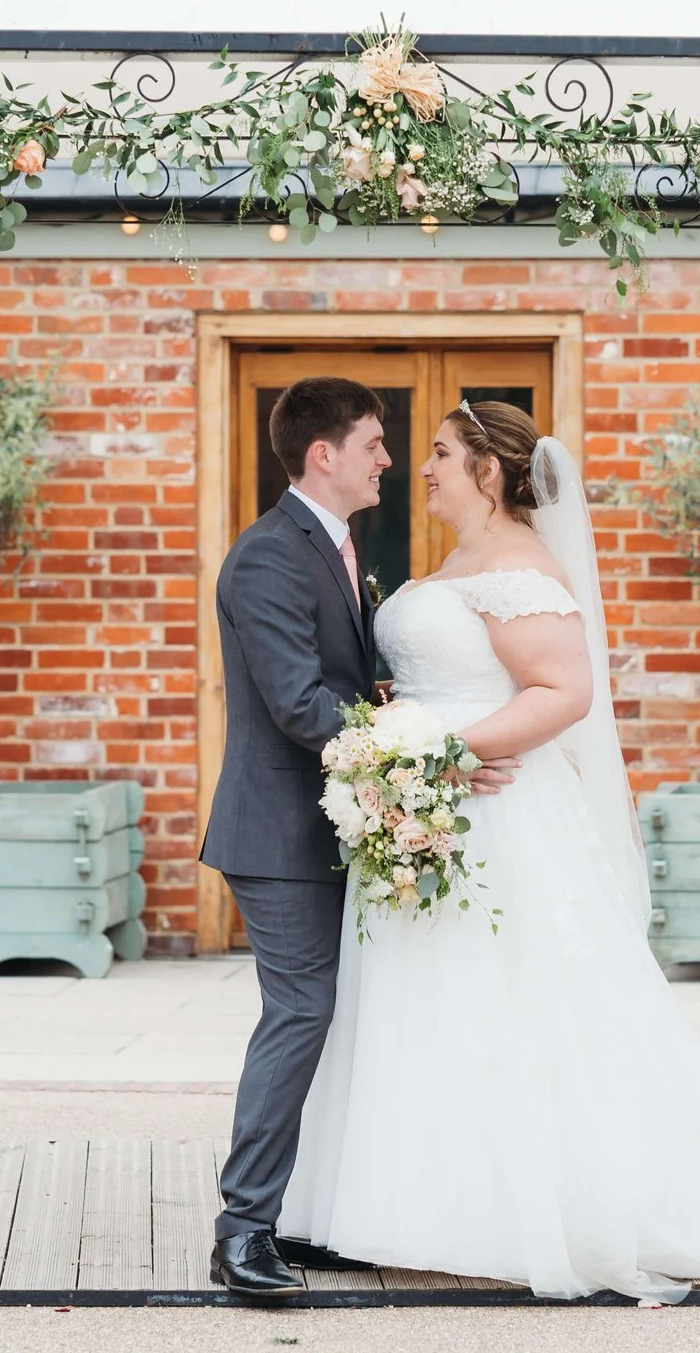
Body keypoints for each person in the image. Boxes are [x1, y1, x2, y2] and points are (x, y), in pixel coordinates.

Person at [275, 398, 700, 1302]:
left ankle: (530, 1209)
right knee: (430, 1006)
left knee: (505, 1007)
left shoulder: (520, 566)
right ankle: (423, 1204)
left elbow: (564, 690)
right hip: (434, 810)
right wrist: (405, 729)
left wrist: (442, 758)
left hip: (490, 814)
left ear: (489, 472)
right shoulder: (463, 562)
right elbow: (466, 673)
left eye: (437, 453)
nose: (419, 467)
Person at [202, 377, 520, 1298]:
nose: (392, 459)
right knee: (300, 1016)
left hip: (341, 825)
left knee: (341, 1022)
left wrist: (395, 710)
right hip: (278, 835)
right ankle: (243, 1231)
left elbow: (338, 682)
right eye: (377, 443)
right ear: (324, 455)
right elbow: (300, 704)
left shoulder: (336, 545)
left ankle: (304, 1217)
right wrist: (427, 757)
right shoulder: (267, 557)